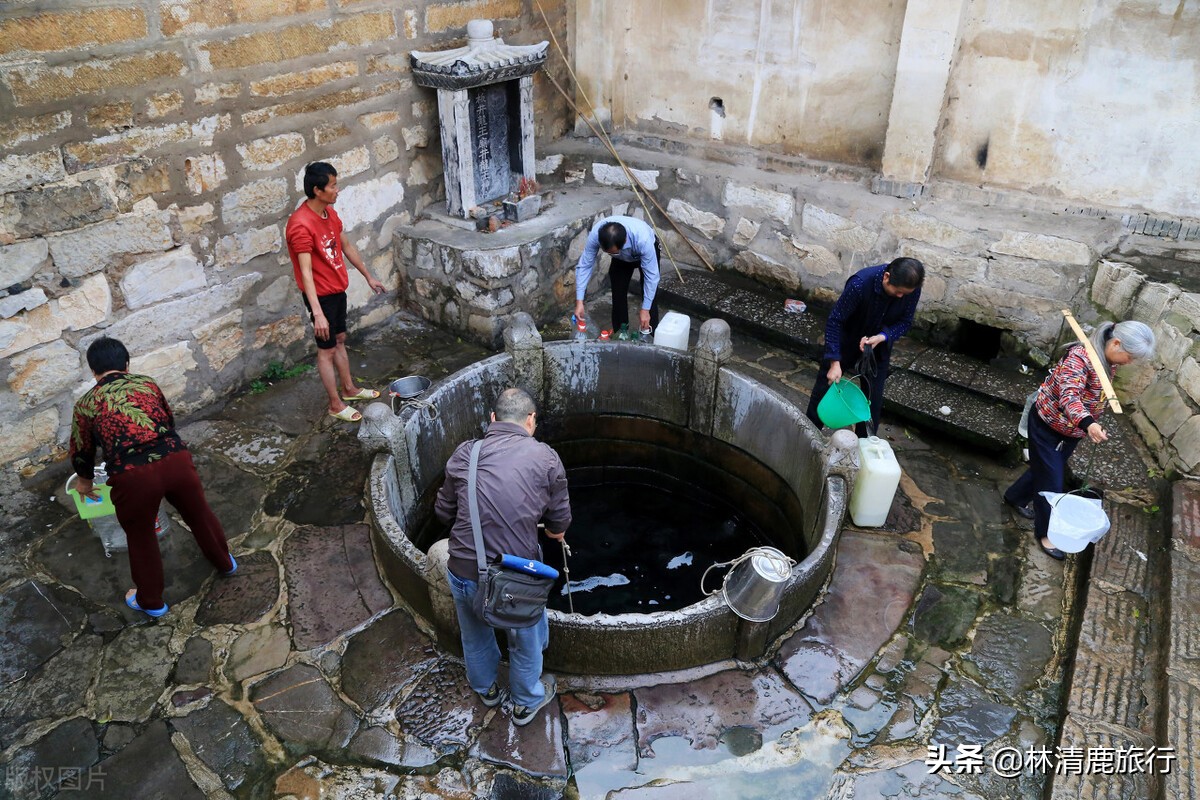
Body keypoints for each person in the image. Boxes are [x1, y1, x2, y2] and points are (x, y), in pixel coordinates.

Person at [68, 337, 236, 618]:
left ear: (93, 371)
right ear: (126, 364)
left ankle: (152, 602)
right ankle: (225, 563)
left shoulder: (86, 404)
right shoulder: (146, 383)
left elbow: (81, 448)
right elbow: (167, 421)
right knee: (198, 513)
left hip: (132, 475)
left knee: (140, 535)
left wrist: (84, 481)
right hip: (175, 459)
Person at [435, 388, 571, 727]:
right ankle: (526, 701)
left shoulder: (466, 453)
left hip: (465, 568)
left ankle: (486, 689)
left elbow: (442, 511)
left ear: (492, 419)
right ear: (530, 421)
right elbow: (558, 526)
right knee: (525, 639)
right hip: (517, 577)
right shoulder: (545, 457)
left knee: (474, 633)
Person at [1003, 321, 1155, 559]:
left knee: (1045, 469)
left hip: (1071, 430)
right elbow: (1069, 396)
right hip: (1047, 423)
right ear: (1116, 343)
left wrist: (1088, 423)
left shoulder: (1107, 359)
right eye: (1131, 356)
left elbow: (1091, 394)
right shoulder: (1080, 358)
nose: (1130, 362)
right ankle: (1047, 535)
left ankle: (1014, 497)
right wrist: (1089, 423)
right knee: (1051, 483)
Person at [285, 161, 386, 423]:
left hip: (337, 290)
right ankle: (334, 404)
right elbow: (306, 273)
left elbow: (347, 247)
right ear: (318, 190)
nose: (337, 190)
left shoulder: (329, 214)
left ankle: (349, 389)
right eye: (333, 185)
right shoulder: (300, 225)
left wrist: (368, 276)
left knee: (340, 339)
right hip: (321, 297)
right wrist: (317, 313)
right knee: (326, 349)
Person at [805, 257, 925, 436]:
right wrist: (834, 362)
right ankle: (808, 435)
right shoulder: (859, 285)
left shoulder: (910, 291)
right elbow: (835, 321)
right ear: (886, 277)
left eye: (905, 294)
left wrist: (883, 336)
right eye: (898, 292)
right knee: (825, 389)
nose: (901, 297)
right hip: (846, 341)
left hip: (877, 348)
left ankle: (864, 446)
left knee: (872, 403)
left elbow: (905, 322)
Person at [574, 215, 661, 334]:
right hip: (620, 258)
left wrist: (645, 309)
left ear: (624, 242)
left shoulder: (643, 240)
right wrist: (579, 301)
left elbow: (651, 277)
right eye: (607, 252)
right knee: (618, 293)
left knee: (650, 297)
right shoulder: (597, 235)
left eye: (612, 252)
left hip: (644, 252)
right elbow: (584, 265)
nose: (609, 254)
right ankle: (620, 334)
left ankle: (650, 335)